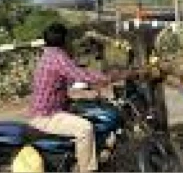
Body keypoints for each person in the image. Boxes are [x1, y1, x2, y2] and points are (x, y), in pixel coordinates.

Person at [28, 23, 128, 173]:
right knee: (85, 129)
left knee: (90, 109)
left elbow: (71, 78)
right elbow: (79, 74)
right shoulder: (57, 57)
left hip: (53, 109)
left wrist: (90, 87)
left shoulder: (50, 55)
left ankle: (86, 155)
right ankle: (88, 169)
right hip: (46, 116)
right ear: (63, 39)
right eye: (69, 38)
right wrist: (108, 78)